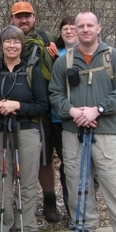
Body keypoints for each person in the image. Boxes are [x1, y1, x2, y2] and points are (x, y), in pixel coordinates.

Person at [49, 11, 116, 232]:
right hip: (73, 132)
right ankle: (84, 230)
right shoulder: (64, 61)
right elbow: (54, 94)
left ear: (98, 28)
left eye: (90, 25)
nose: (85, 29)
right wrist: (72, 111)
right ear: (74, 30)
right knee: (78, 184)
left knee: (115, 184)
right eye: (80, 26)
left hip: (106, 132)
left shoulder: (114, 57)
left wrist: (98, 109)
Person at [0, 25, 48, 232]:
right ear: (1, 44)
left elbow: (43, 106)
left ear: (22, 45)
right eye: (7, 41)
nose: (11, 45)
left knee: (26, 185)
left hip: (26, 131)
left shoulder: (32, 71)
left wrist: (18, 106)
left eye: (16, 42)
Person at [10, 1, 61, 223]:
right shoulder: (6, 39)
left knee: (45, 158)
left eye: (27, 16)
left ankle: (49, 200)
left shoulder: (48, 38)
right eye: (19, 16)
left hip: (44, 106)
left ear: (34, 17)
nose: (23, 20)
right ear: (12, 19)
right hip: (14, 108)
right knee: (13, 158)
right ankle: (13, 201)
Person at [50, 16, 77, 219]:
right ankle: (64, 206)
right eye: (65, 28)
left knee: (75, 166)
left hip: (77, 118)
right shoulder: (54, 54)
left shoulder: (86, 53)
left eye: (72, 28)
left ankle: (77, 210)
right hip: (55, 118)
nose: (69, 31)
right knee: (62, 164)